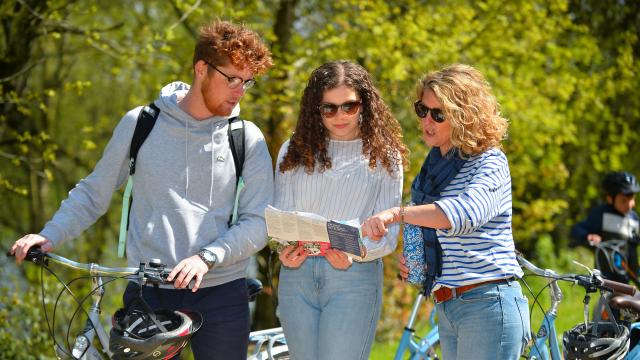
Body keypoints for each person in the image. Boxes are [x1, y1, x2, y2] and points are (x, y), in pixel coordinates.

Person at [10, 20, 273, 359]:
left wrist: (208, 257)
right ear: (201, 69)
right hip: (148, 293)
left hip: (221, 293)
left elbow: (259, 221)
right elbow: (93, 193)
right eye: (232, 79)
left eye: (247, 82)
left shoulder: (246, 139)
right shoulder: (141, 124)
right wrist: (49, 235)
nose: (239, 91)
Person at [362, 64, 530, 360]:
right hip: (447, 304)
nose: (428, 120)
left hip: (487, 304)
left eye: (439, 114)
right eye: (422, 110)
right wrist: (419, 261)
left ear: (464, 116)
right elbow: (433, 225)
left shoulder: (489, 162)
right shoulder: (434, 166)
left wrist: (397, 214)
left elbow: (461, 215)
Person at [272, 60, 408, 360]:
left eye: (349, 106)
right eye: (329, 108)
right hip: (297, 276)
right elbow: (281, 218)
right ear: (315, 109)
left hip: (354, 277)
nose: (340, 116)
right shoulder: (293, 150)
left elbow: (388, 235)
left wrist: (355, 253)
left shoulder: (385, 157)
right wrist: (283, 249)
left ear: (365, 104)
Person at [571, 171, 640, 283]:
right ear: (610, 199)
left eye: (632, 199)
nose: (629, 205)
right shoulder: (602, 214)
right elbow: (577, 229)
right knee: (616, 301)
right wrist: (588, 236)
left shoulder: (634, 218)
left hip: (629, 277)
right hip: (606, 279)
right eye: (623, 201)